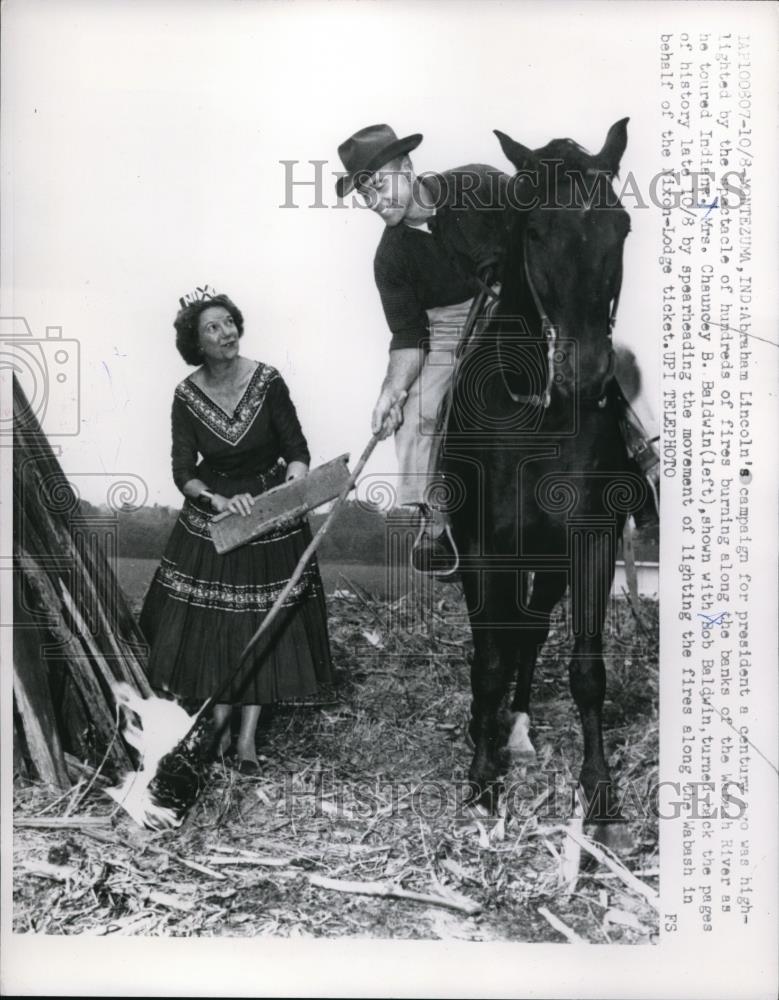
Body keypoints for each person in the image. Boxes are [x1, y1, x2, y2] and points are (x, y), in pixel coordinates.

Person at [140, 286, 333, 774]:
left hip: (269, 509)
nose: (227, 332)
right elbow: (183, 469)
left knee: (263, 620)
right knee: (217, 627)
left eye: (229, 322)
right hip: (217, 515)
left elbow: (296, 448)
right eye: (213, 327)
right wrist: (216, 500)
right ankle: (219, 726)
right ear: (196, 343)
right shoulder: (185, 395)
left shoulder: (268, 381)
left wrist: (288, 492)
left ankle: (247, 739)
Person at [336, 123, 513, 574]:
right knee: (418, 408)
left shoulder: (479, 183)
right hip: (448, 326)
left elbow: (542, 228)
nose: (376, 201)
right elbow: (409, 339)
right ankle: (430, 518)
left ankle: (643, 457)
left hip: (518, 297)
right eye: (365, 195)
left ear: (409, 167)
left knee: (604, 355)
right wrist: (389, 393)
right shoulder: (389, 258)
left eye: (380, 185)